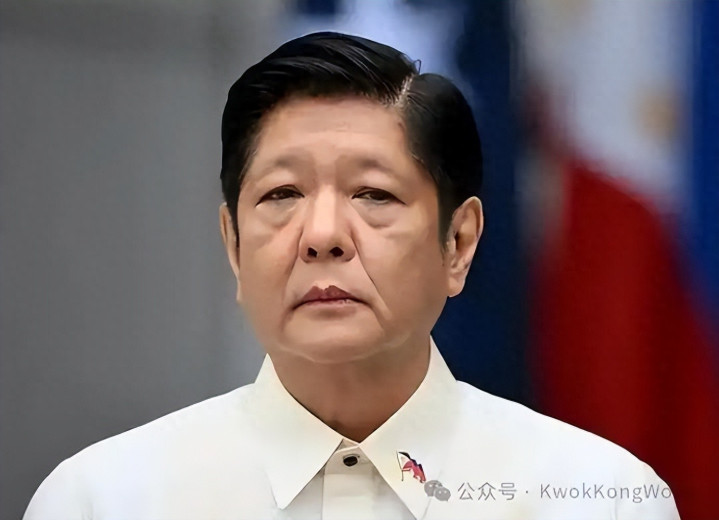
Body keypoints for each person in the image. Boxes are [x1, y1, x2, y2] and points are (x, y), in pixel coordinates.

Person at [24, 31, 679, 520]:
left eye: (373, 194)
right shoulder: (101, 500)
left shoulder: (600, 499)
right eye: (282, 194)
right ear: (233, 246)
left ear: (458, 243)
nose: (322, 235)